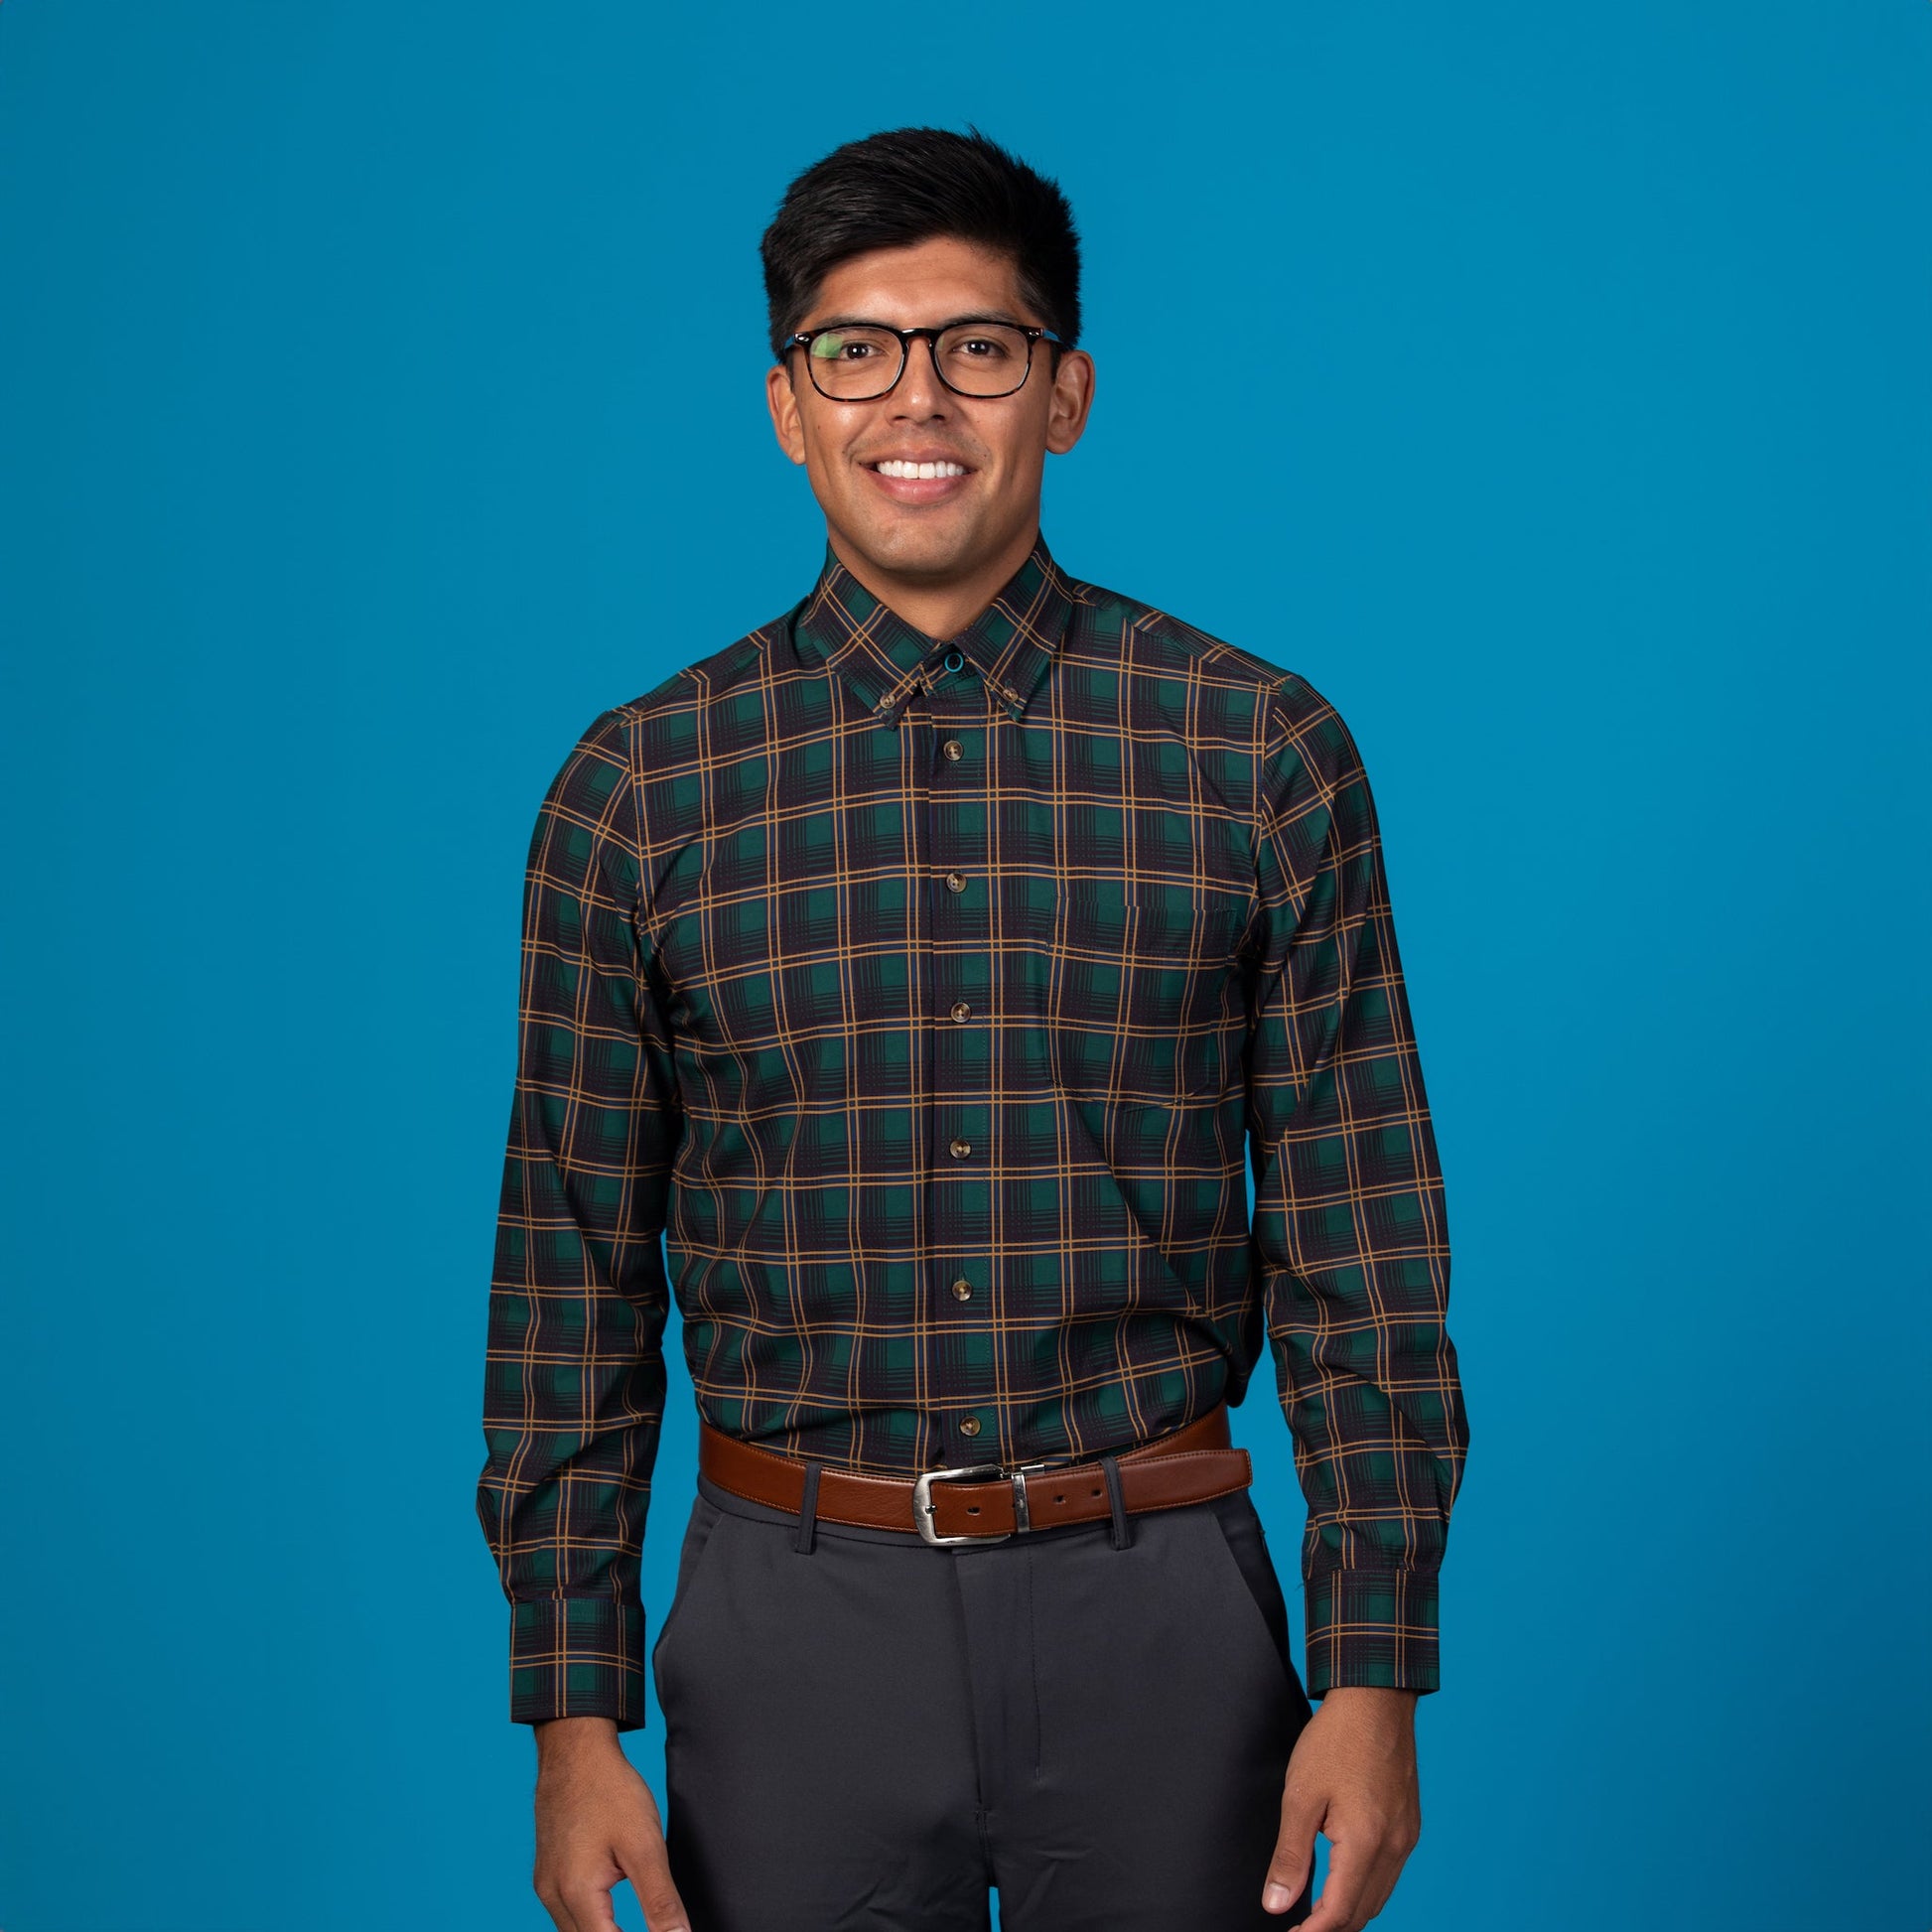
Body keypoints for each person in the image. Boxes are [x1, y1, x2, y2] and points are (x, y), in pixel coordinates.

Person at [476, 124, 1470, 1932]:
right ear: (788, 406)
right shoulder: (639, 791)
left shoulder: (1255, 753)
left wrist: (1373, 1666)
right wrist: (572, 1714)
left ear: (1063, 393)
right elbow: (571, 1281)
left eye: (978, 347)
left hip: (1158, 1603)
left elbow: (1361, 1244)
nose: (914, 400)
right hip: (791, 1617)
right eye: (855, 350)